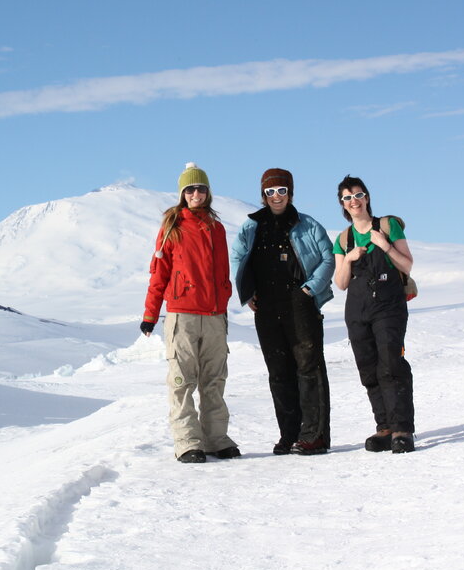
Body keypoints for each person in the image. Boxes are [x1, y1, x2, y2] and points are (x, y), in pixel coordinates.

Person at [231, 168, 335, 456]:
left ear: (290, 193)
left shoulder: (307, 224)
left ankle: (314, 436)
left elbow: (329, 257)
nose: (276, 196)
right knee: (278, 372)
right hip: (266, 306)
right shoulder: (251, 226)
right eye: (270, 192)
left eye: (281, 191)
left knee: (308, 368)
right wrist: (248, 292)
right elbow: (238, 257)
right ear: (263, 196)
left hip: (300, 302)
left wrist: (309, 289)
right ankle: (289, 434)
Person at [141, 162, 239, 464]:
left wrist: (223, 297)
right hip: (182, 315)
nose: (196, 193)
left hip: (214, 315)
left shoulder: (217, 227)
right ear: (183, 193)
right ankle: (187, 442)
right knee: (182, 381)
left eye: (201, 188)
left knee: (214, 380)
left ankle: (216, 439)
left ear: (208, 192)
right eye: (190, 189)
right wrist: (150, 313)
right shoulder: (172, 226)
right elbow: (159, 273)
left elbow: (223, 270)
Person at [333, 175, 416, 454]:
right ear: (342, 204)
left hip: (388, 306)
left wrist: (385, 245)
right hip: (357, 309)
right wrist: (350, 259)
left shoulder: (387, 226)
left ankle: (402, 429)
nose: (353, 201)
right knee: (368, 367)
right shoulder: (343, 239)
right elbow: (341, 282)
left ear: (366, 197)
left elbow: (406, 265)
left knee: (391, 363)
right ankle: (384, 428)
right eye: (347, 198)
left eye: (357, 195)